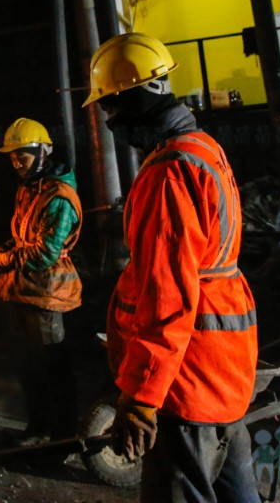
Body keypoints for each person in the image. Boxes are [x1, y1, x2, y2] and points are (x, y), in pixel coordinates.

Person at [83, 32, 259, 503]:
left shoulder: (167, 173)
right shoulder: (203, 148)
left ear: (135, 98)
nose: (111, 121)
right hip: (224, 371)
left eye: (112, 109)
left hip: (187, 380)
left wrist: (143, 398)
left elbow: (168, 299)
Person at [0, 118, 82, 447]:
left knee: (52, 368)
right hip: (22, 292)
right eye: (12, 159)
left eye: (22, 158)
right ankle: (38, 428)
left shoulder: (59, 196)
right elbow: (23, 238)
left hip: (47, 296)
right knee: (28, 367)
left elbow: (44, 253)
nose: (17, 164)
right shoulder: (29, 188)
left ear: (42, 153)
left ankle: (65, 437)